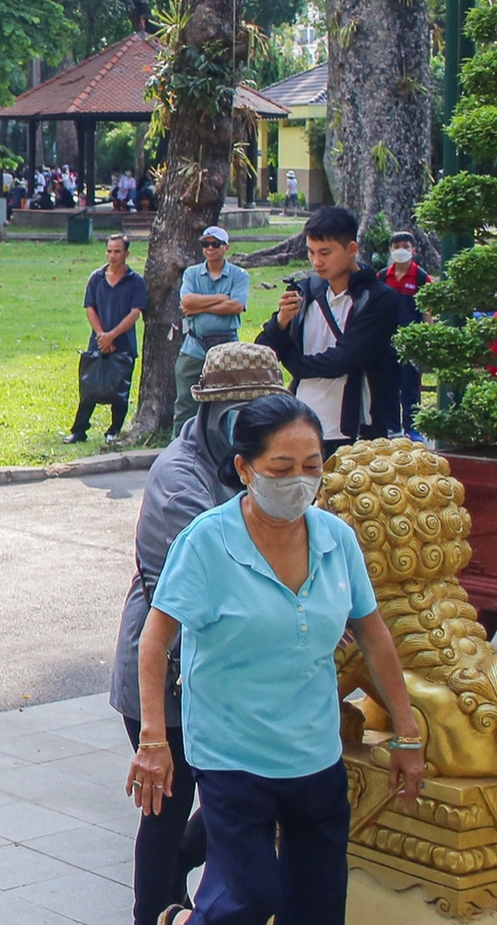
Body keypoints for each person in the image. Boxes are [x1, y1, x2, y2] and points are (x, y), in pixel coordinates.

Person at [129, 393, 424, 925]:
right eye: (281, 468)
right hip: (231, 752)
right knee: (248, 897)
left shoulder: (337, 540)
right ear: (245, 469)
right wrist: (153, 741)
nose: (299, 481)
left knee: (317, 904)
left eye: (312, 466)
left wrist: (406, 732)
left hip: (313, 752)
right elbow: (154, 642)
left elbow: (375, 636)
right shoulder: (207, 543)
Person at [111, 344, 289, 925]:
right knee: (168, 802)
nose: (259, 435)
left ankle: (178, 884)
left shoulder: (255, 466)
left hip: (226, 669)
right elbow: (227, 580)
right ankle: (153, 910)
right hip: (167, 669)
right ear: (213, 412)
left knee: (239, 789)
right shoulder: (180, 477)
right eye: (246, 419)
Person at [256, 205, 401, 456]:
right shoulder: (304, 292)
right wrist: (281, 320)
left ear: (351, 249)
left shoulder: (378, 299)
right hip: (302, 423)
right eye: (311, 252)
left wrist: (294, 363)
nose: (316, 261)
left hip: (356, 429)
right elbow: (264, 351)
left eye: (325, 252)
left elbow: (344, 359)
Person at [65, 234, 146, 444]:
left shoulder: (135, 281)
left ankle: (114, 430)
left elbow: (135, 313)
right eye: (109, 251)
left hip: (124, 343)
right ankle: (79, 430)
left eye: (117, 251)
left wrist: (113, 335)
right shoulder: (96, 277)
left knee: (119, 390)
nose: (112, 255)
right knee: (89, 387)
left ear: (126, 253)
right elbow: (90, 307)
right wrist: (102, 335)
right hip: (98, 343)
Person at [174, 226, 251, 428]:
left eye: (215, 244)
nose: (210, 248)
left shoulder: (239, 275)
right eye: (205, 244)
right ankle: (178, 446)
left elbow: (236, 305)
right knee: (185, 400)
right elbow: (187, 302)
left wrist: (200, 306)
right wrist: (220, 299)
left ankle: (225, 447)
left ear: (226, 247)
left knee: (228, 401)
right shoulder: (191, 273)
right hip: (194, 345)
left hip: (227, 345)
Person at [380, 230, 434, 436]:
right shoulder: (383, 276)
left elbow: (427, 310)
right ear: (391, 250)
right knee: (389, 386)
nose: (401, 250)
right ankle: (392, 426)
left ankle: (412, 428)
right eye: (397, 246)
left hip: (411, 343)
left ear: (414, 250)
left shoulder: (421, 277)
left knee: (411, 388)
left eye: (405, 246)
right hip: (387, 341)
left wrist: (427, 338)